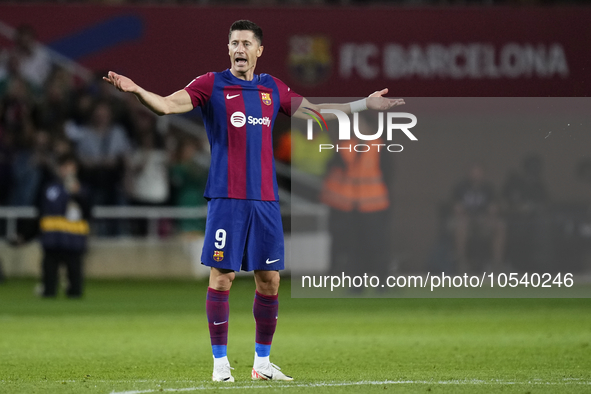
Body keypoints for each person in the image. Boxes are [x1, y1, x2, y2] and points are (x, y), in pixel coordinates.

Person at [103, 19, 404, 382]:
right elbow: (167, 106)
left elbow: (318, 112)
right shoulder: (211, 84)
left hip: (265, 200)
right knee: (222, 277)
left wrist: (363, 104)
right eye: (234, 43)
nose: (240, 49)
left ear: (259, 50)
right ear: (227, 49)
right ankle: (220, 365)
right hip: (227, 197)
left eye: (247, 43)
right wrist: (138, 90)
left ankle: (262, 364)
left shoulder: (272, 88)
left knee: (270, 280)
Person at [38, 153, 91, 298]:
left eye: (71, 167)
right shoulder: (49, 188)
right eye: (64, 167)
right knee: (49, 285)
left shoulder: (83, 190)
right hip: (52, 240)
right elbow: (40, 213)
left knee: (75, 286)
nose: (67, 170)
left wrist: (77, 194)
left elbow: (88, 213)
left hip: (74, 241)